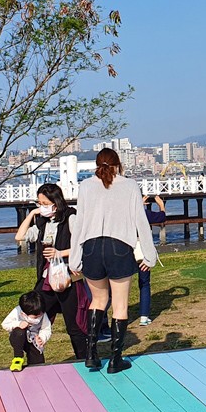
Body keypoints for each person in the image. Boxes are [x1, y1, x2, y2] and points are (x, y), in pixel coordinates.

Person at [69, 148, 158, 373]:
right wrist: (150, 255)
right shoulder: (129, 186)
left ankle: (91, 354)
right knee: (119, 304)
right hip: (119, 246)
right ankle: (115, 359)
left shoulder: (86, 186)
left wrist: (74, 258)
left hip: (90, 247)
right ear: (118, 164)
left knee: (98, 300)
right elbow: (141, 222)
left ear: (97, 165)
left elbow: (79, 224)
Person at [15, 183, 90, 359]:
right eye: (39, 203)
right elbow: (19, 237)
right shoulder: (42, 223)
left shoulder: (70, 218)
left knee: (74, 326)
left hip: (68, 278)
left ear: (55, 203)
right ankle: (34, 358)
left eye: (44, 203)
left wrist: (60, 253)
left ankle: (84, 358)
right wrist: (32, 214)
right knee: (33, 318)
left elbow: (83, 244)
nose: (41, 207)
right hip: (46, 280)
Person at [1, 291, 52, 371]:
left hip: (33, 340)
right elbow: (5, 324)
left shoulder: (42, 314)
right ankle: (18, 358)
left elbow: (46, 328)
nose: (37, 319)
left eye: (40, 316)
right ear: (24, 313)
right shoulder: (17, 311)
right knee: (19, 332)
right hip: (18, 338)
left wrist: (42, 338)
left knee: (38, 364)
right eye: (35, 317)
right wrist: (18, 324)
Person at [137, 194, 166, 326]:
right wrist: (161, 205)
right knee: (144, 283)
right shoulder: (143, 214)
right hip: (141, 252)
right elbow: (161, 217)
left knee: (118, 285)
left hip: (124, 252)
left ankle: (119, 316)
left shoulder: (122, 214)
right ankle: (144, 316)